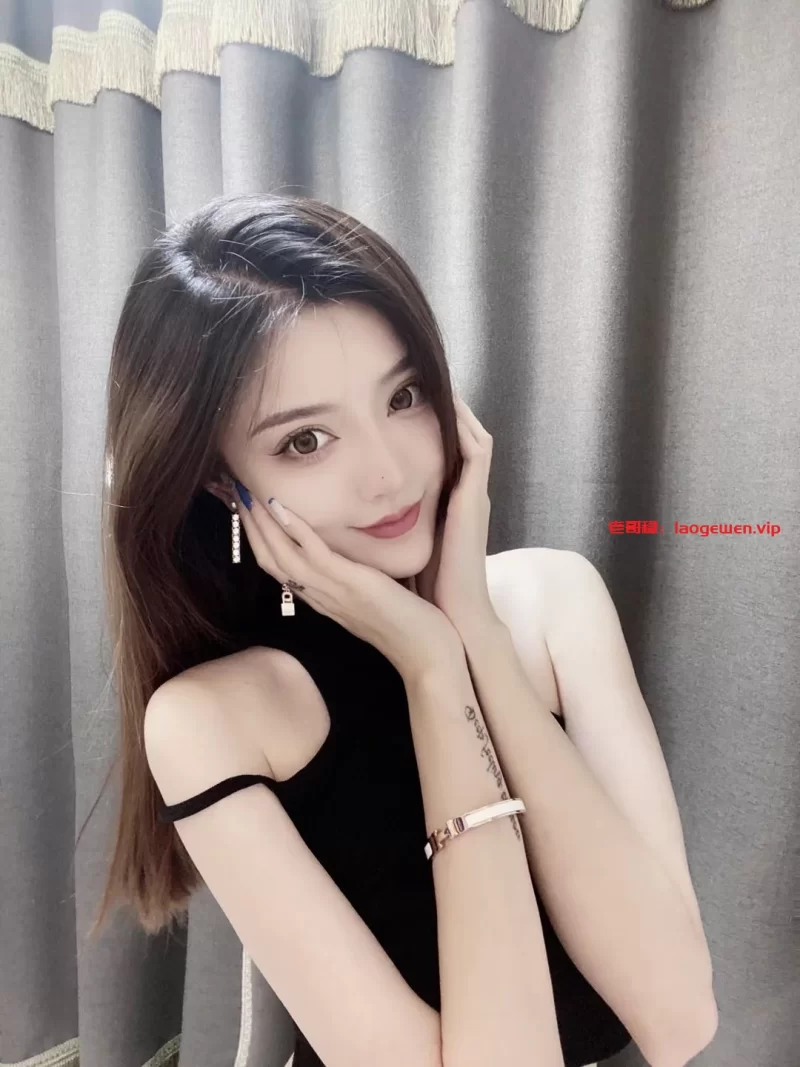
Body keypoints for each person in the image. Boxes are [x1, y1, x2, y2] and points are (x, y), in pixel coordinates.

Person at [87, 192, 631, 1067]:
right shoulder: (210, 717)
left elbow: (676, 1015)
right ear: (223, 483)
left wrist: (467, 630)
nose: (387, 474)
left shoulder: (551, 602)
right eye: (305, 441)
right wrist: (432, 667)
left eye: (404, 395)